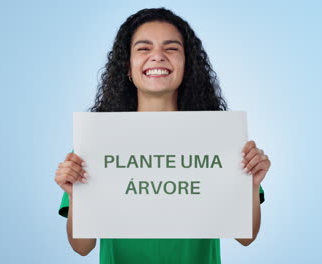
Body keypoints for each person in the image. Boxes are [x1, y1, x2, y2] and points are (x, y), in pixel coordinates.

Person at [54, 7, 271, 264]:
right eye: (144, 48)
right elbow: (81, 246)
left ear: (187, 64)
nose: (157, 56)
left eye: (171, 48)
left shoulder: (219, 138)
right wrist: (77, 196)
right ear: (127, 67)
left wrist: (252, 184)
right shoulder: (96, 142)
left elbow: (246, 237)